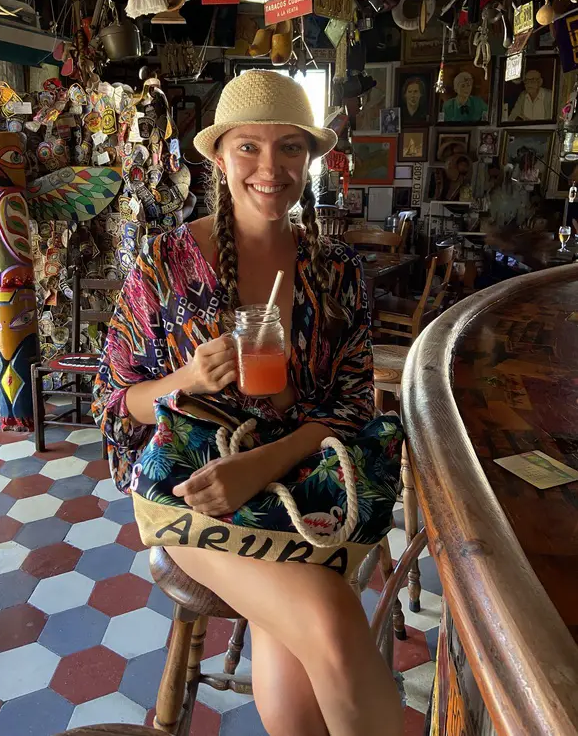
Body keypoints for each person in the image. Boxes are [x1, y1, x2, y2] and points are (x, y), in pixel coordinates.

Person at [93, 70, 403, 736]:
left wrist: (265, 460)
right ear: (217, 155)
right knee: (327, 617)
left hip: (292, 487)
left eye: (290, 147)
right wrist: (188, 380)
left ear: (310, 158)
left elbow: (353, 407)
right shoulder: (164, 266)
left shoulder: (337, 272)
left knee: (300, 702)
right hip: (193, 488)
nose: (271, 167)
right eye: (248, 148)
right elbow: (117, 403)